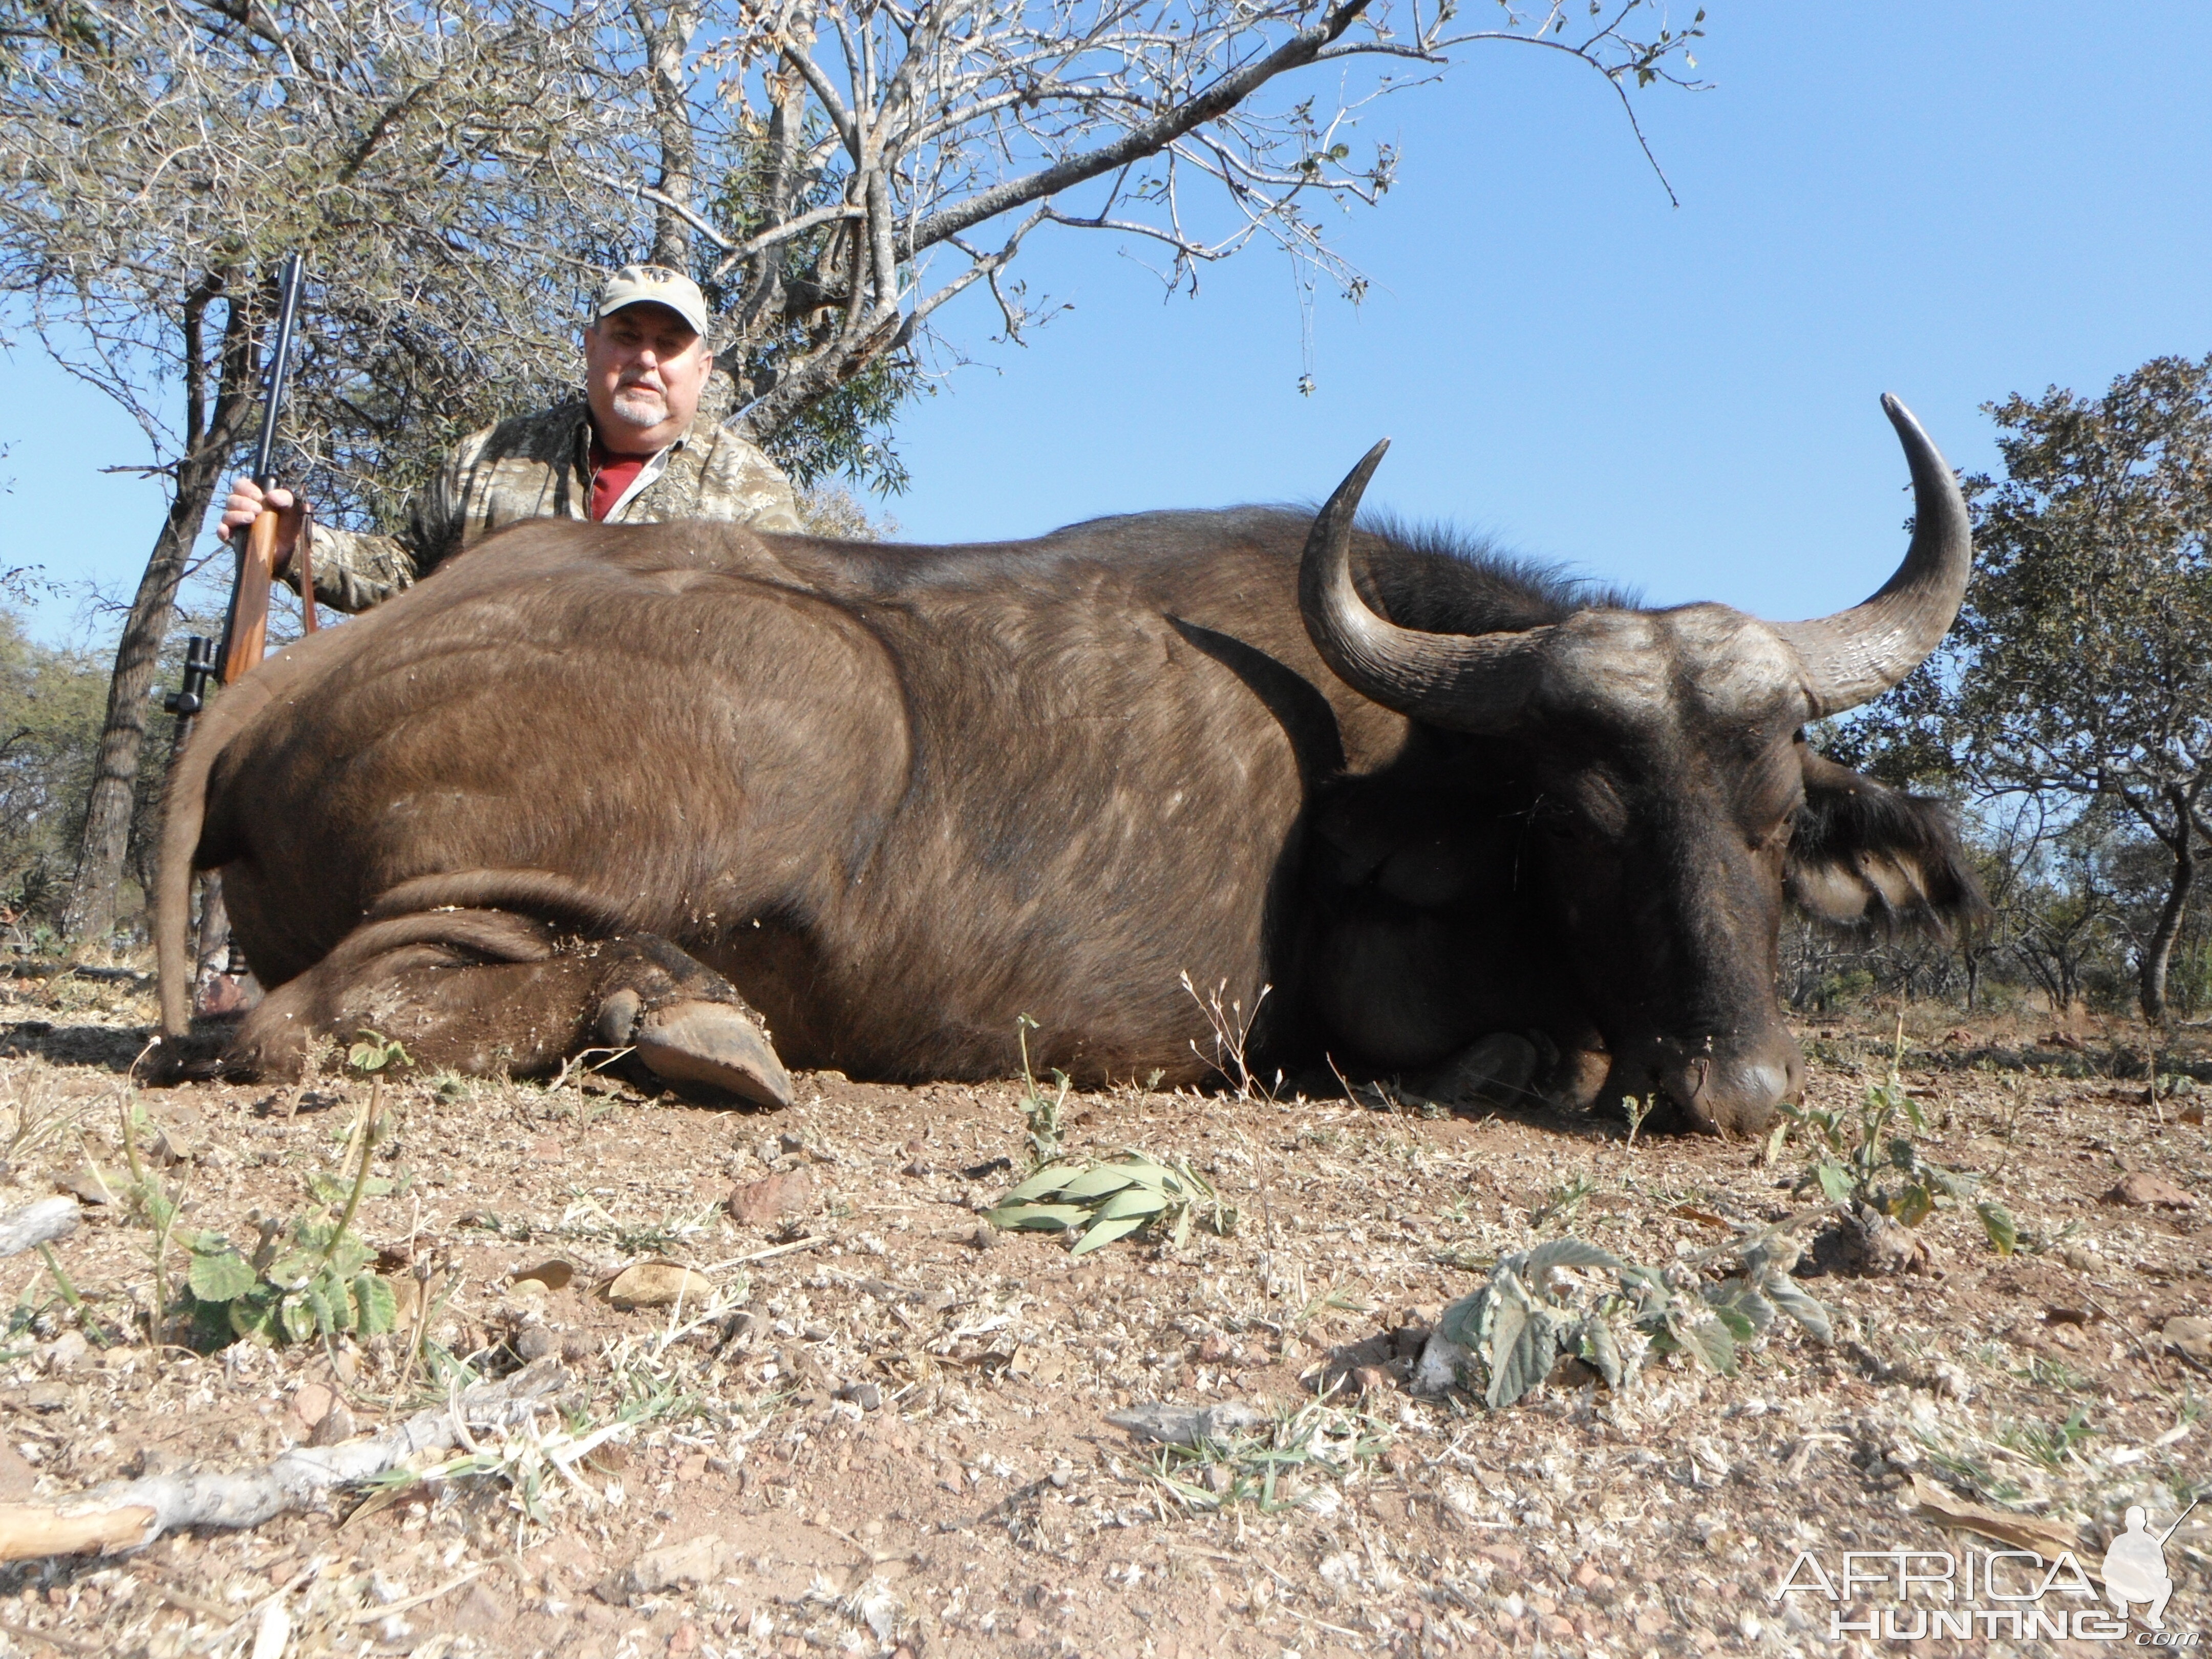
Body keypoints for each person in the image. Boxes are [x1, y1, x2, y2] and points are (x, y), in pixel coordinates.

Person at [219, 263, 803, 613]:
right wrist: (300, 549)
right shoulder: (489, 458)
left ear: (701, 369)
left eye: (669, 345)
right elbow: (408, 575)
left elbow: (780, 644)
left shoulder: (751, 495)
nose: (645, 360)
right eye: (626, 336)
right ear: (590, 348)